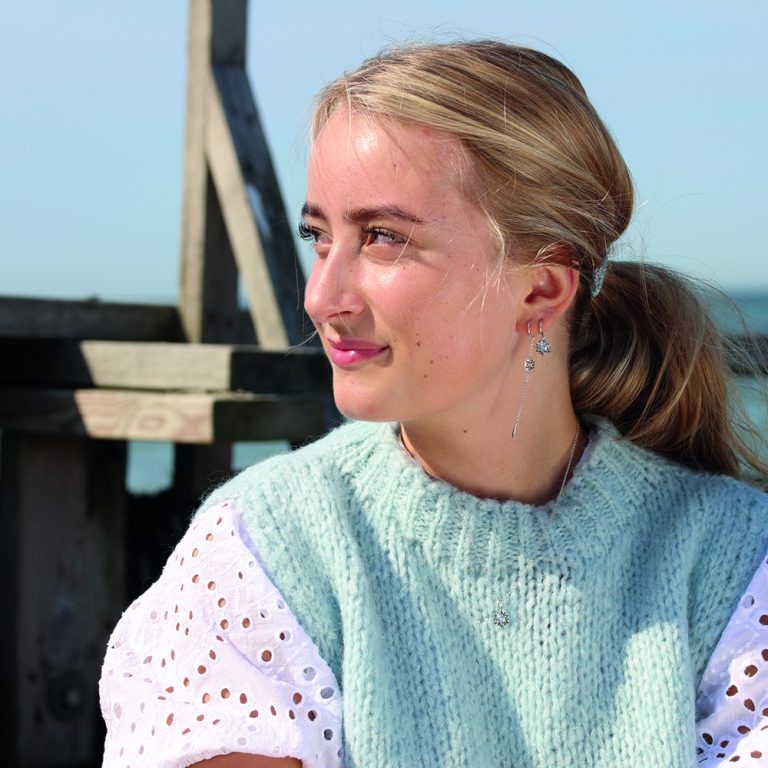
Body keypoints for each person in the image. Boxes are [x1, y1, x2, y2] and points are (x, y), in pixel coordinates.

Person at [99, 40, 768, 768]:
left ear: (542, 289)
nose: (320, 297)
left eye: (383, 238)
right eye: (318, 237)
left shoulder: (733, 564)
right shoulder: (268, 551)